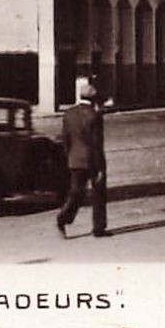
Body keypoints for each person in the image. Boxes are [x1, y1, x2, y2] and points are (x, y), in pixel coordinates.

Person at [56, 76, 108, 239]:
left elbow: (66, 139)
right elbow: (97, 143)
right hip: (92, 160)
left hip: (75, 159)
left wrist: (69, 156)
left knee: (76, 193)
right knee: (99, 194)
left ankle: (62, 218)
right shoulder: (95, 116)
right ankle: (98, 229)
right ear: (93, 99)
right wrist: (101, 167)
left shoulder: (69, 114)